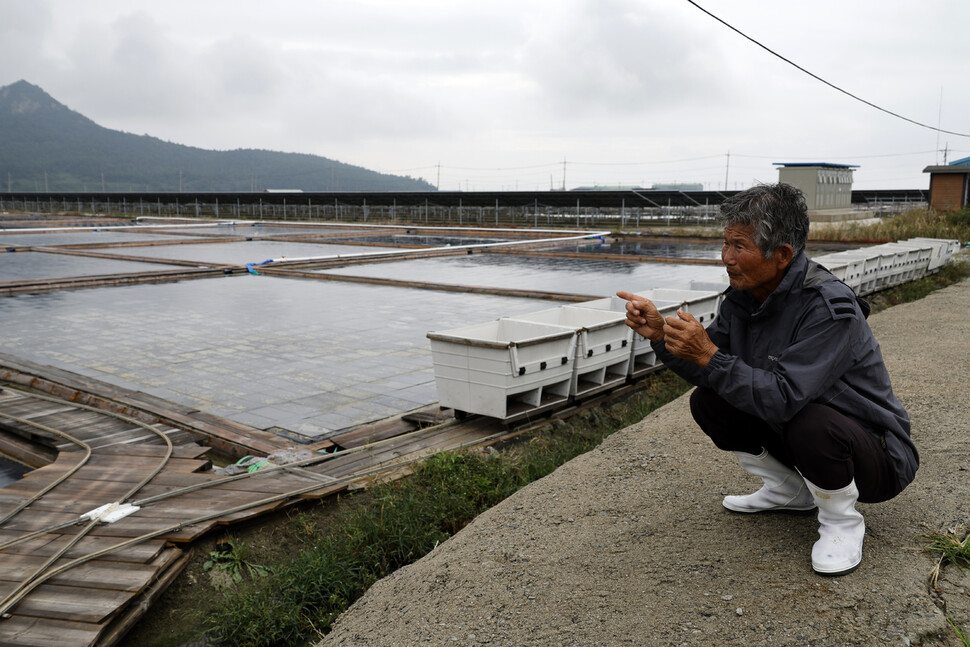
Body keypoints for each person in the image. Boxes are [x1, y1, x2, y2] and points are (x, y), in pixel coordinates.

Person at [616, 183, 917, 576]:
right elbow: (712, 370)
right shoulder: (744, 297)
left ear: (782, 255)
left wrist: (709, 354)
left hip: (875, 454)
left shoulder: (829, 308)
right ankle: (788, 490)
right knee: (708, 401)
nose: (726, 258)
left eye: (738, 247)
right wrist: (660, 336)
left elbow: (783, 396)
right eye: (725, 244)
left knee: (812, 422)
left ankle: (841, 522)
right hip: (798, 428)